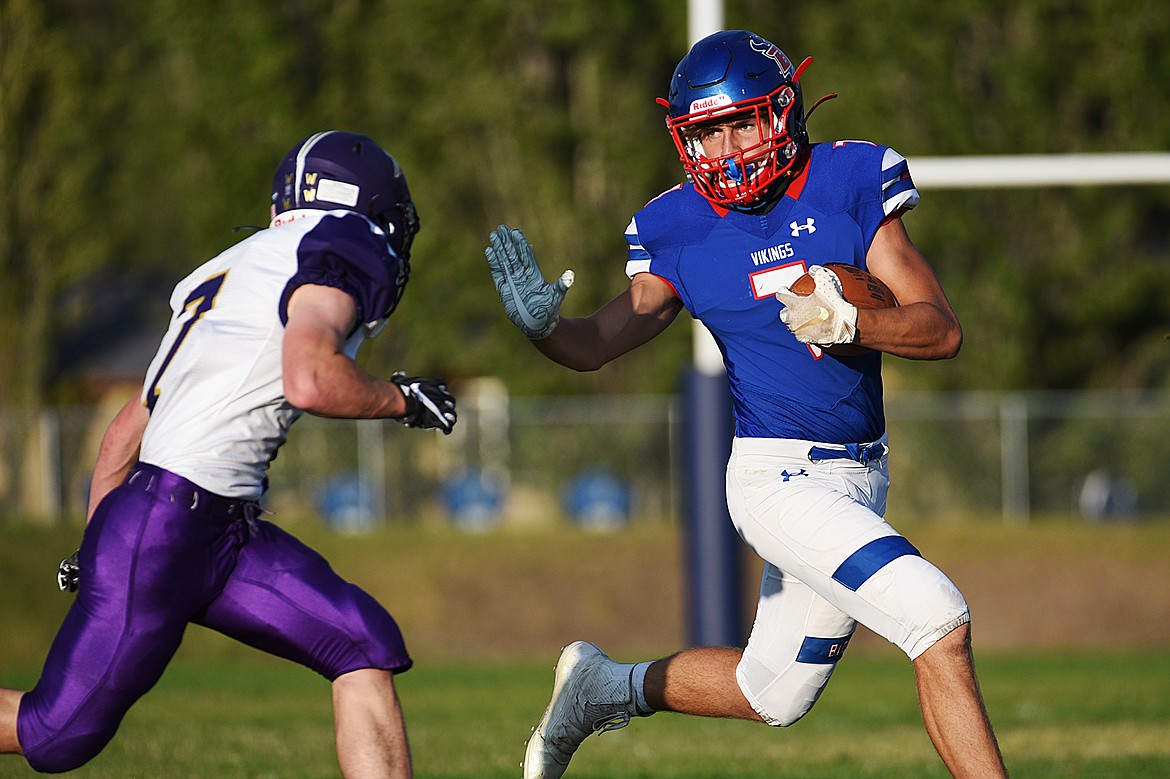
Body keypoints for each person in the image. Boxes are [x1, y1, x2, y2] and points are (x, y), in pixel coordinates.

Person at [485, 30, 1007, 779]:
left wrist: (857, 319)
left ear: (785, 113)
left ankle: (601, 686)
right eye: (708, 131)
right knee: (936, 616)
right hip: (774, 479)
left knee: (774, 691)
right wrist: (544, 332)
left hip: (859, 473)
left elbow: (941, 328)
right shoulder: (678, 226)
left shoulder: (849, 180)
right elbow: (597, 340)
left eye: (740, 122)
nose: (726, 148)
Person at [0, 130, 457, 777]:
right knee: (53, 734)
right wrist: (402, 399)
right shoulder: (343, 244)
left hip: (212, 529)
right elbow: (309, 376)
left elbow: (125, 431)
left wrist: (97, 541)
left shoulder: (232, 267)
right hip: (168, 528)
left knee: (363, 641)